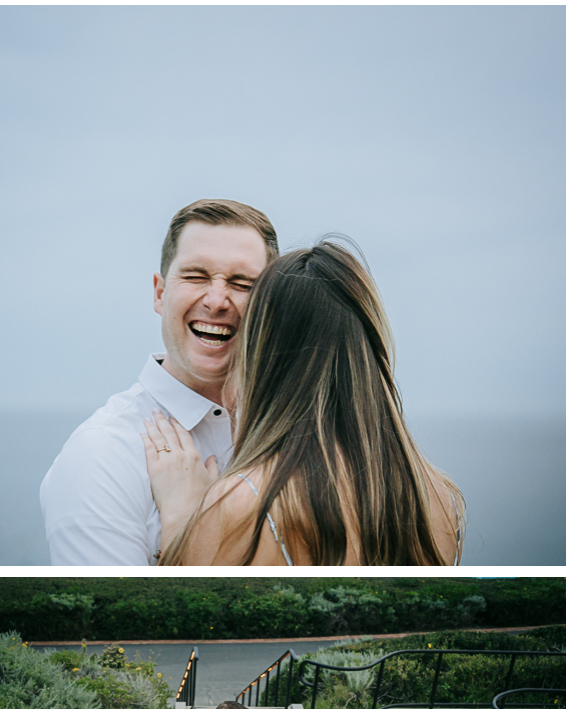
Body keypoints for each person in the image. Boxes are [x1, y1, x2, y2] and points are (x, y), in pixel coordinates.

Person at [142, 239, 464, 565]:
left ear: (263, 354)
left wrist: (184, 522)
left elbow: (194, 609)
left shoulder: (244, 504)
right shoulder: (441, 497)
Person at [39, 199, 279, 564]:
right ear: (160, 292)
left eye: (242, 283)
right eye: (196, 276)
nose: (216, 301)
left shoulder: (297, 431)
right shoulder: (101, 454)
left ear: (272, 306)